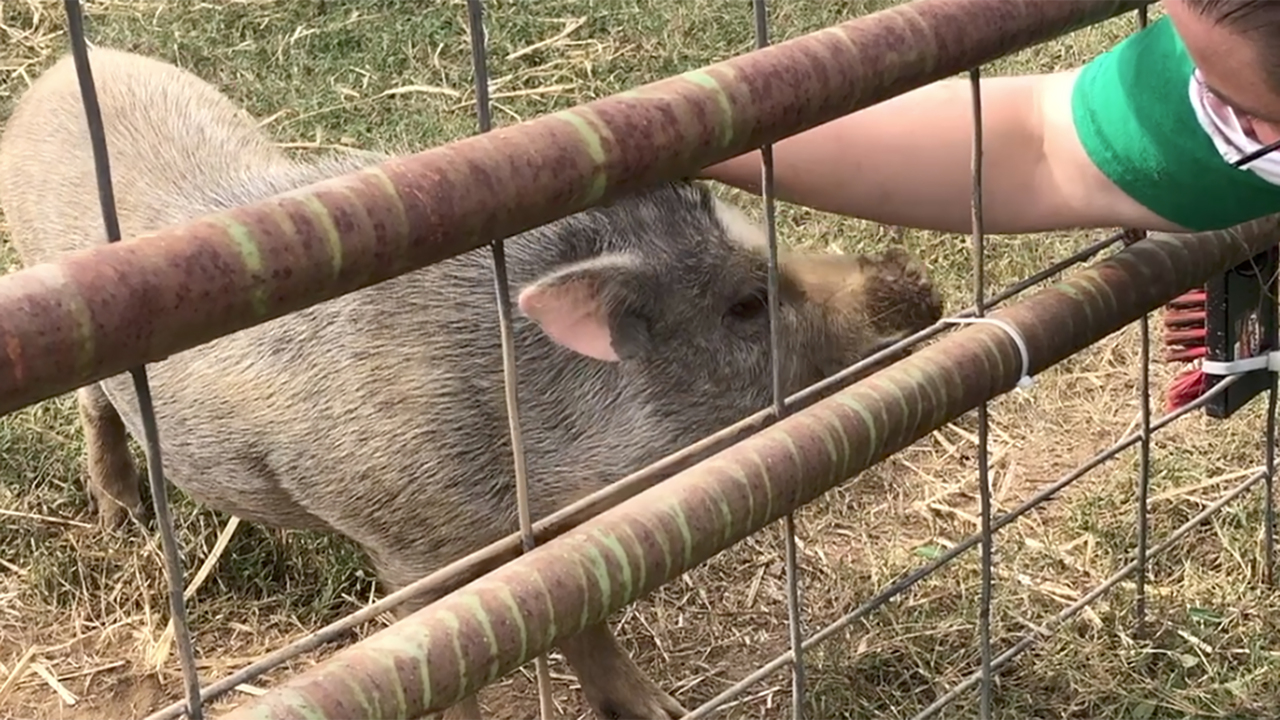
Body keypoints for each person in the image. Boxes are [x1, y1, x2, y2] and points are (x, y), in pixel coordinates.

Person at [700, 0, 1280, 235]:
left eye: (1252, 112)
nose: (1241, 129)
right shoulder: (1231, 59)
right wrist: (706, 136)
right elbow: (1037, 145)